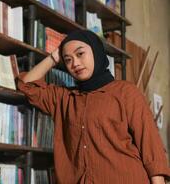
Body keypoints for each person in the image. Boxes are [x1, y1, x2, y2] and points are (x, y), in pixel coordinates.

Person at [16, 30, 170, 184]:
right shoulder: (64, 98)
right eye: (68, 60)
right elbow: (26, 85)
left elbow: (150, 146)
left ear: (96, 51)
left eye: (80, 54)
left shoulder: (126, 92)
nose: (75, 63)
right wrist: (55, 56)